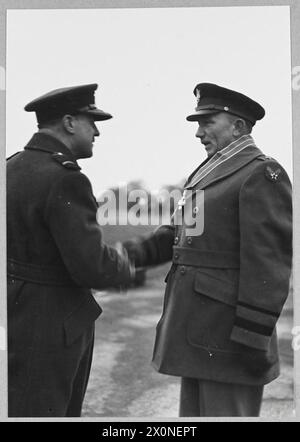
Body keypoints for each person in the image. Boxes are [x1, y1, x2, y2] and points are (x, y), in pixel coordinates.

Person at [124, 83, 292, 417]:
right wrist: (128, 255)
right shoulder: (207, 170)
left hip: (231, 338)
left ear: (238, 126)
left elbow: (268, 265)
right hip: (199, 330)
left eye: (207, 123)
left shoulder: (261, 173)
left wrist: (252, 336)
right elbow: (176, 232)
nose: (198, 133)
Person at [7, 83, 134, 417]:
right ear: (68, 122)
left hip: (15, 311)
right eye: (91, 122)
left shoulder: (11, 167)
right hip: (53, 322)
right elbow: (91, 266)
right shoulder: (65, 178)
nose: (96, 132)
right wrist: (130, 262)